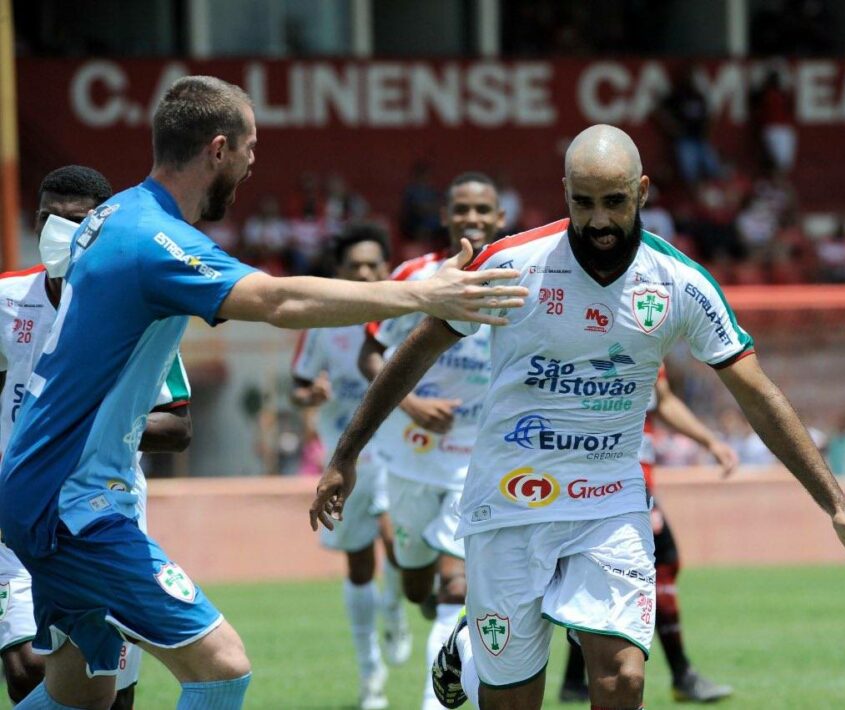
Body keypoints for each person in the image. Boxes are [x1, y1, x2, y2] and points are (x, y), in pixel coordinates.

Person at [312, 124, 845, 710]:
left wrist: (836, 505)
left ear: (642, 191)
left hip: (608, 503)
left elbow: (757, 393)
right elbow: (414, 352)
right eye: (583, 203)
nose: (599, 220)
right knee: (513, 701)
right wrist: (345, 456)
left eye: (614, 202)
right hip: (507, 501)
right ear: (564, 192)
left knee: (621, 680)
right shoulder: (513, 265)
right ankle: (469, 647)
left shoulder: (679, 282)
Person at [0, 75, 525, 710]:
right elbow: (279, 300)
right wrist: (422, 293)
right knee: (221, 668)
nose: (254, 164)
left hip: (48, 487)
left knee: (81, 694)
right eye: (251, 147)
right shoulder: (153, 239)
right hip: (72, 501)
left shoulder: (121, 217)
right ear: (218, 149)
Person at [0, 165, 192, 709]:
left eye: (75, 220)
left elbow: (178, 428)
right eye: (46, 218)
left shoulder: (133, 309)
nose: (57, 230)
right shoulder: (7, 299)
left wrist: (83, 426)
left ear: (100, 225)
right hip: (15, 513)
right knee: (27, 668)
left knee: (109, 688)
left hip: (104, 510)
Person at [358, 172, 504, 710]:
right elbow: (369, 355)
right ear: (445, 216)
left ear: (499, 218)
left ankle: (433, 701)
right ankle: (395, 595)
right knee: (418, 581)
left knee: (455, 587)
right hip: (411, 459)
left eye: (482, 210)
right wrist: (412, 404)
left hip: (478, 461)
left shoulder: (517, 281)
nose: (471, 218)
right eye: (461, 208)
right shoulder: (414, 276)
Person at [558, 367, 738, 703]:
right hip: (611, 485)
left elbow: (664, 401)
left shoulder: (648, 342)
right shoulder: (595, 340)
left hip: (628, 483)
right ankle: (682, 674)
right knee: (657, 563)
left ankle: (573, 680)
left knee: (596, 578)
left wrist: (709, 440)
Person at [290, 223, 410, 710]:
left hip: (398, 451)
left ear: (386, 268)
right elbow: (297, 386)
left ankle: (397, 608)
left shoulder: (405, 318)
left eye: (372, 264)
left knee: (396, 540)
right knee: (360, 564)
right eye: (354, 265)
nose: (363, 273)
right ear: (339, 271)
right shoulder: (321, 325)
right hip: (346, 460)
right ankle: (371, 680)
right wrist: (309, 395)